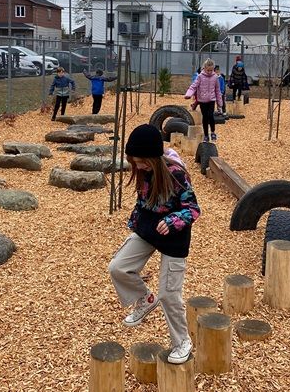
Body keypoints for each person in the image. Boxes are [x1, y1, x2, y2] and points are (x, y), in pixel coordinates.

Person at [108, 123, 201, 365]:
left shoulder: (176, 174)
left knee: (169, 294)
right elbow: (142, 202)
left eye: (142, 161)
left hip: (174, 235)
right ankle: (145, 299)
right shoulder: (143, 171)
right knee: (118, 267)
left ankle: (182, 342)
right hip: (149, 229)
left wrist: (173, 220)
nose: (138, 166)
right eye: (135, 161)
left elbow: (193, 209)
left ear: (155, 157)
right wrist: (134, 222)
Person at [185, 59, 223, 142]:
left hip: (211, 100)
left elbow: (217, 90)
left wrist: (219, 103)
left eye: (211, 70)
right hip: (202, 100)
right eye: (208, 70)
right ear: (204, 68)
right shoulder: (200, 77)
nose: (209, 72)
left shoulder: (215, 77)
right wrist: (189, 94)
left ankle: (212, 132)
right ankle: (206, 135)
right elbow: (193, 86)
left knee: (210, 115)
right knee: (205, 117)